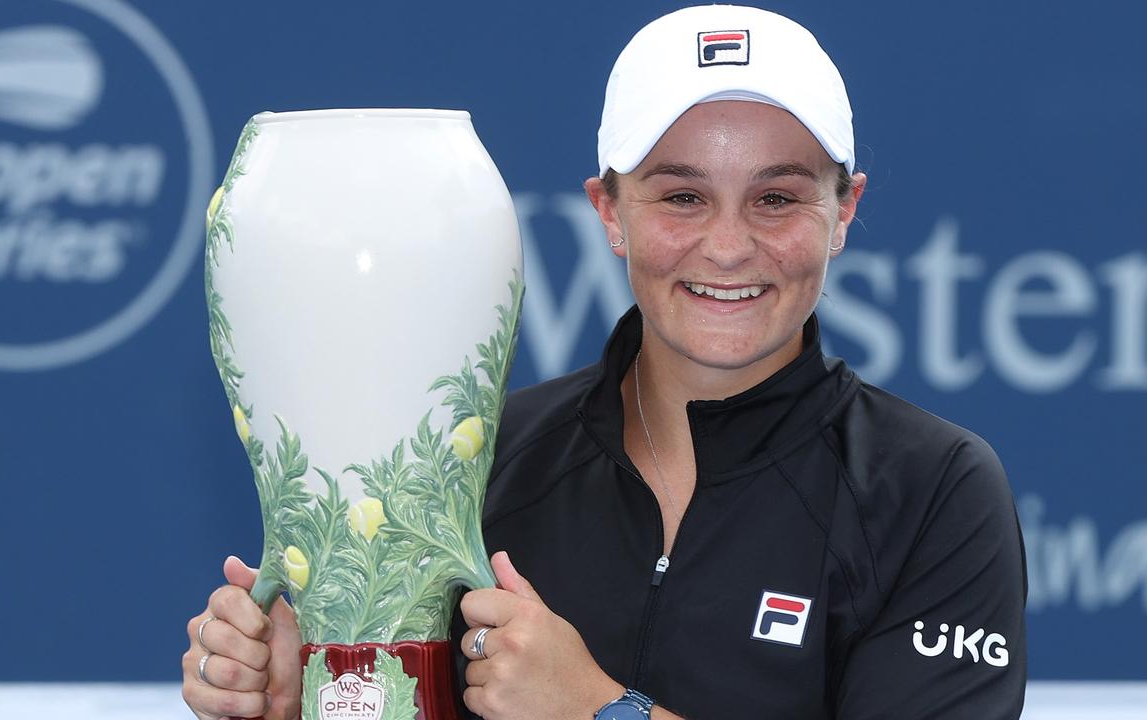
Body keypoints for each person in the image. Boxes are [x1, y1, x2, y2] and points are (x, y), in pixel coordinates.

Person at [182, 5, 1028, 719]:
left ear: (843, 211)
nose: (728, 246)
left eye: (776, 197)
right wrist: (311, 694)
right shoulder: (472, 463)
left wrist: (596, 707)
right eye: (682, 196)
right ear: (609, 210)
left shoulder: (934, 489)